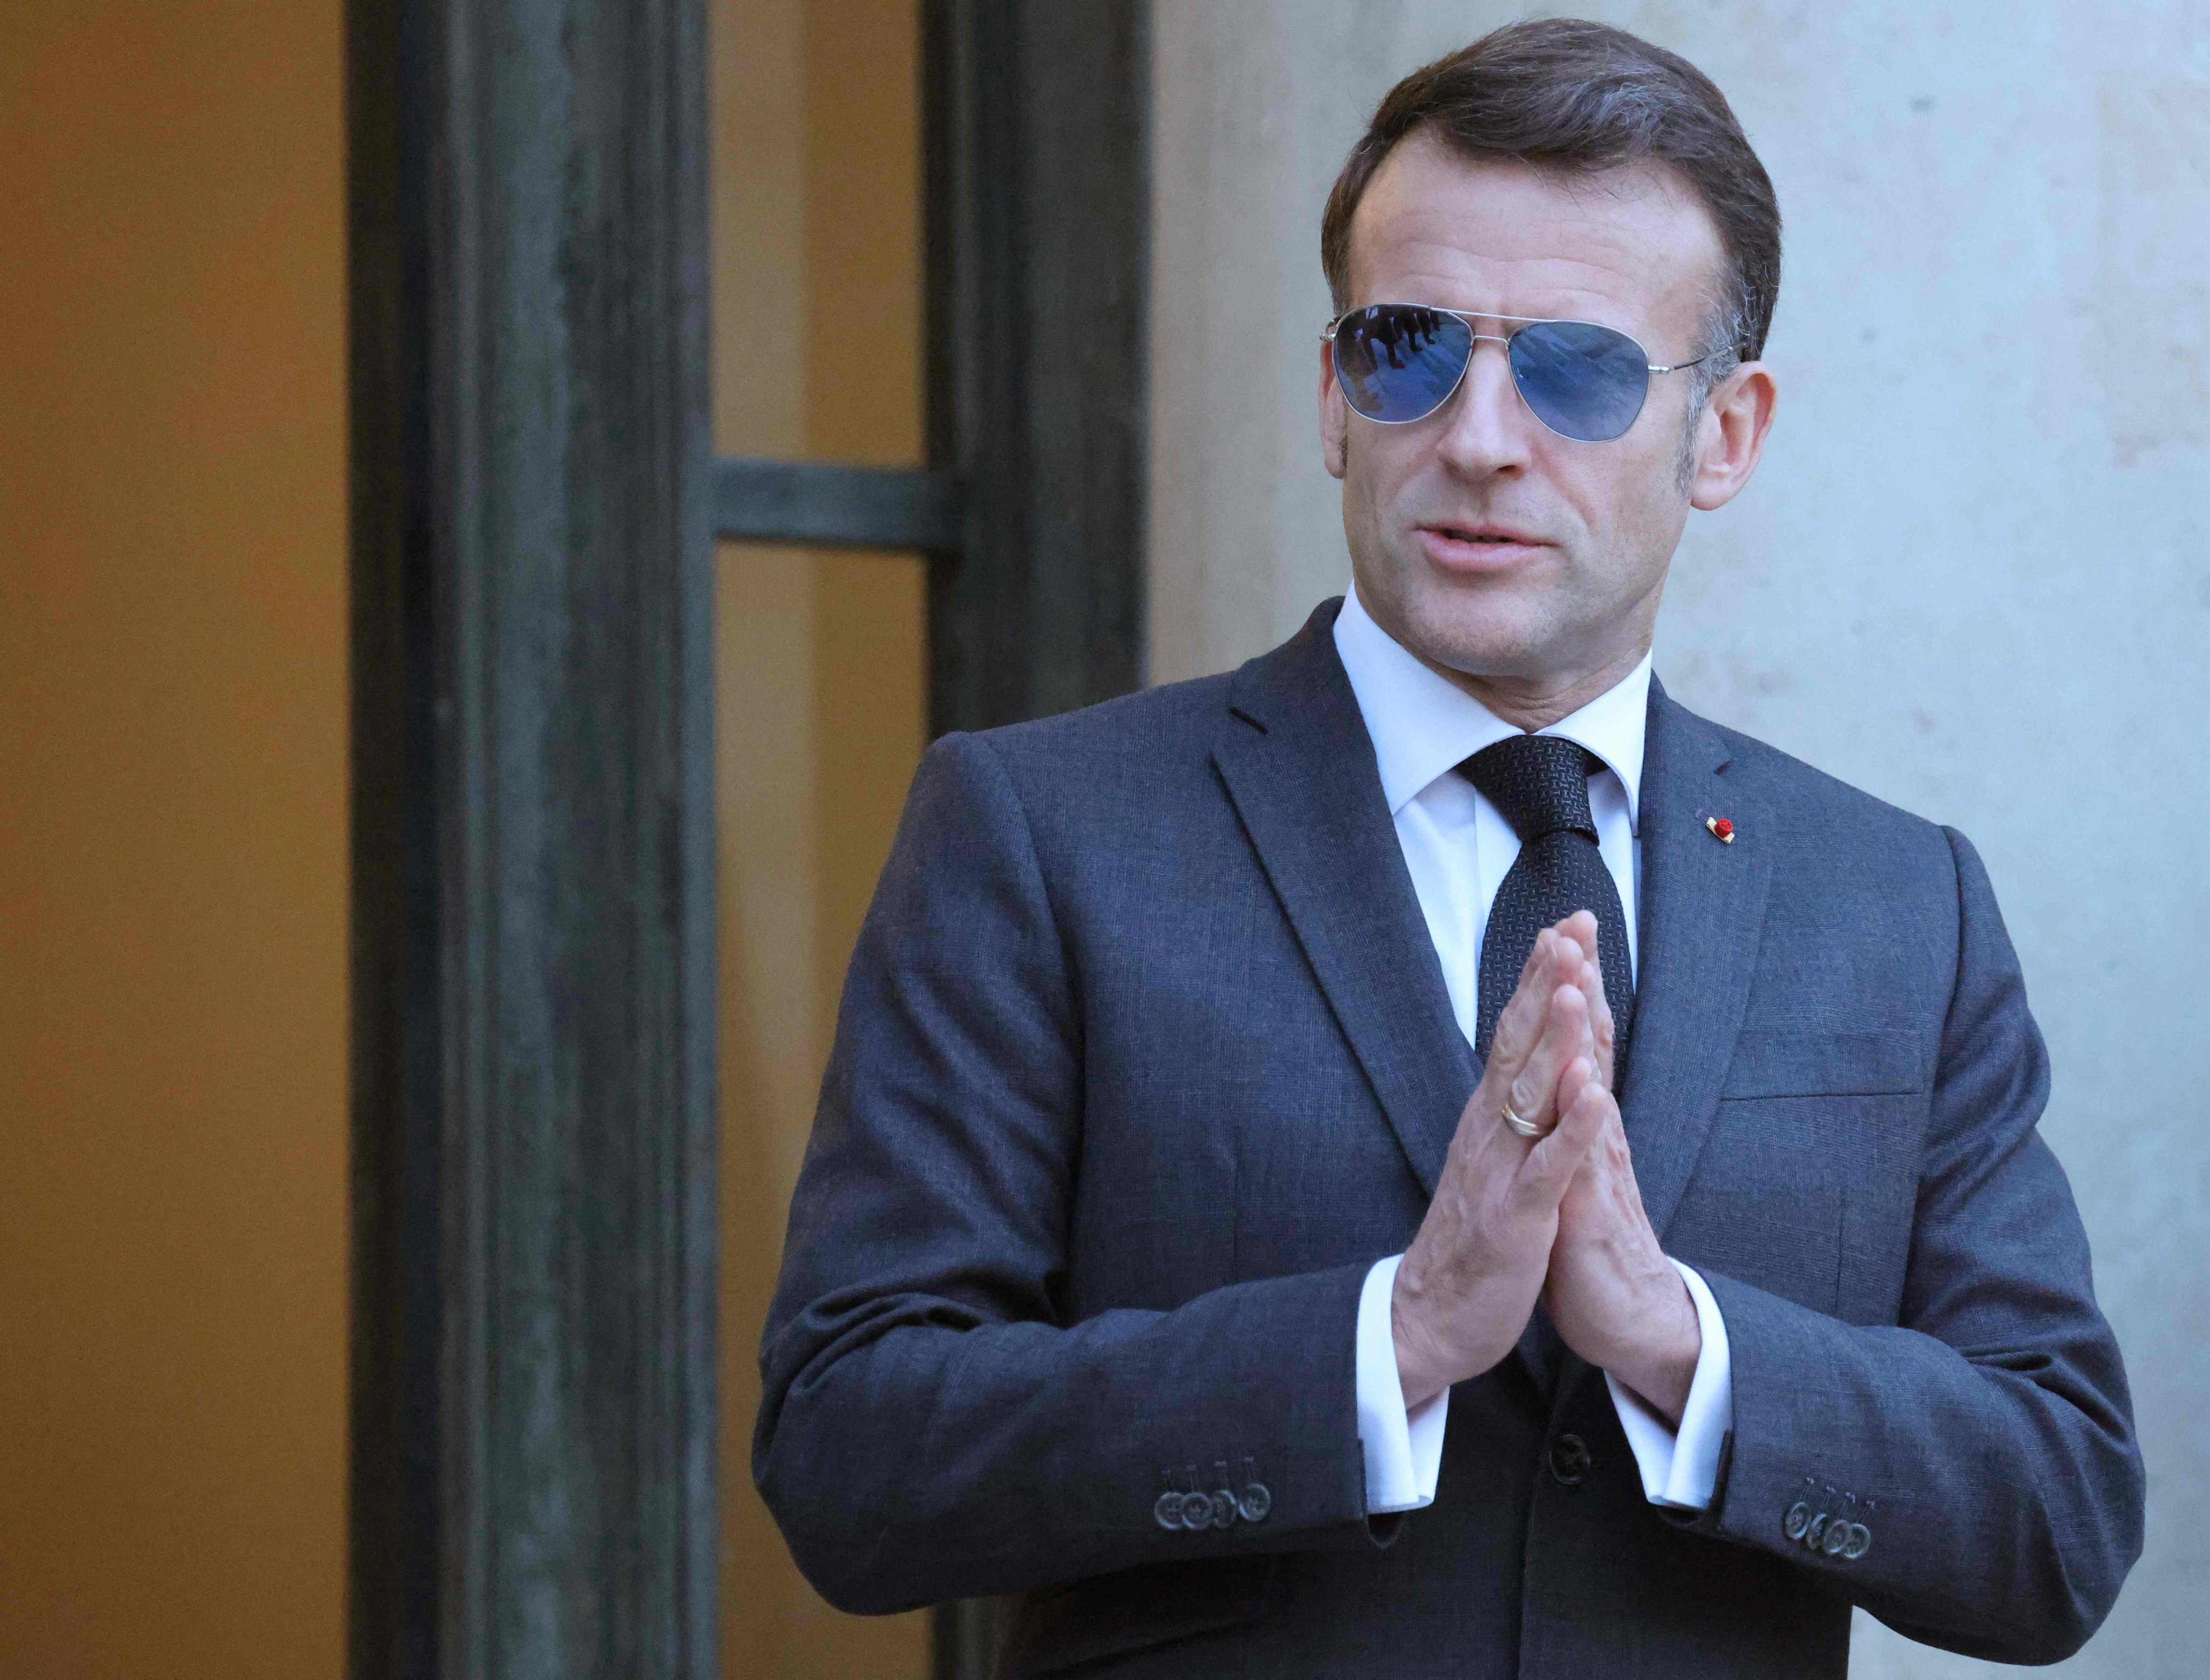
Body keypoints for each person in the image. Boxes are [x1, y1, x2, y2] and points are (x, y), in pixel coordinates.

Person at [753, 20, 2144, 1678]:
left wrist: (1684, 1343)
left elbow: (2060, 1516)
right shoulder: (1045, 833)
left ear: (1727, 433)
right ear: (1335, 395)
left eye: (1576, 368)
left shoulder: (1897, 902)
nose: (1479, 434)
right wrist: (1385, 1343)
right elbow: (850, 1453)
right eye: (1408, 347)